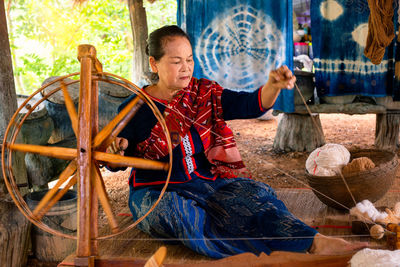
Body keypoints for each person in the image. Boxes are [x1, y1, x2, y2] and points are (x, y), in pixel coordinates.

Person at [108, 25, 368, 259]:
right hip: (155, 193)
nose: (186, 67)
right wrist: (116, 148)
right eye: (176, 61)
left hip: (205, 183)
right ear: (154, 64)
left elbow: (249, 104)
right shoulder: (135, 107)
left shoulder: (202, 93)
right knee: (179, 214)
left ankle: (312, 242)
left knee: (254, 197)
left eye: (189, 59)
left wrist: (273, 86)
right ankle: (257, 251)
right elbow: (115, 160)